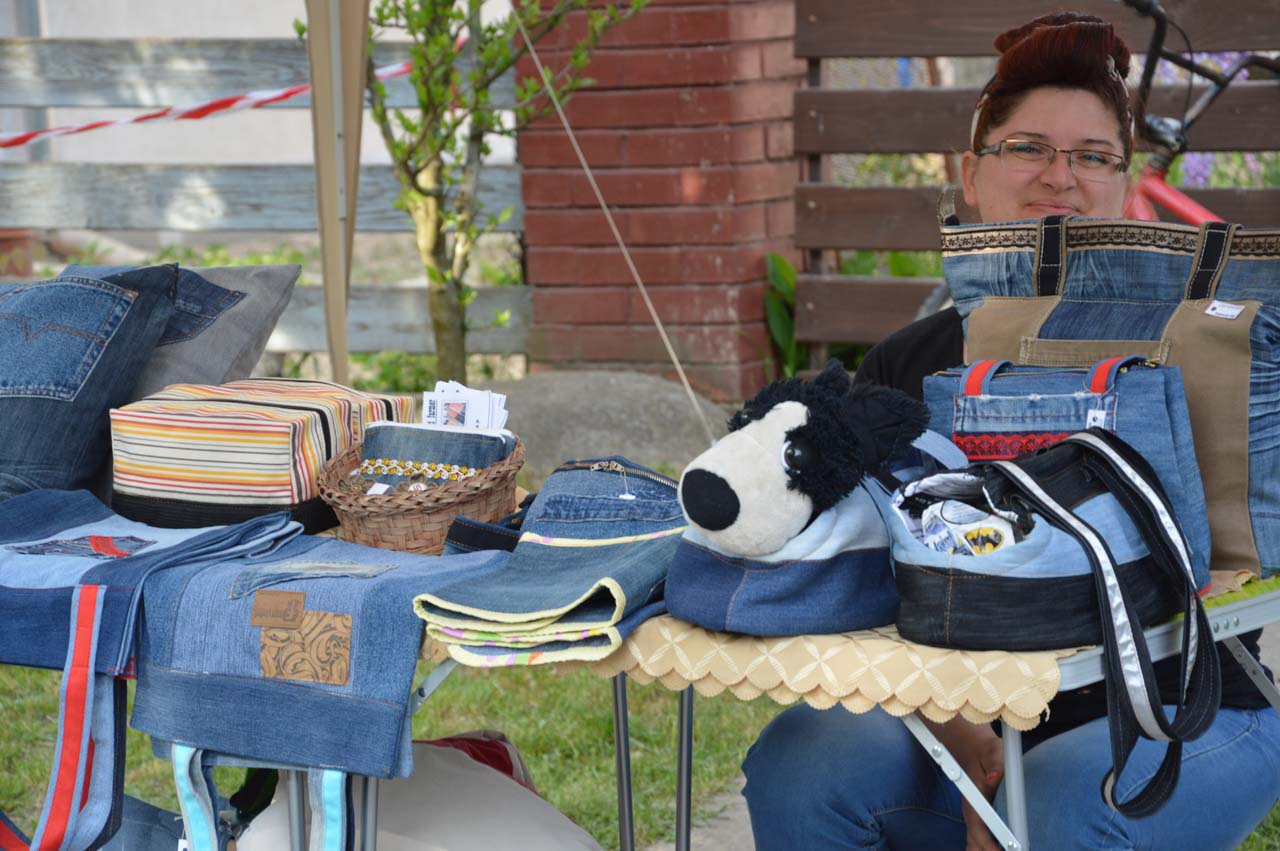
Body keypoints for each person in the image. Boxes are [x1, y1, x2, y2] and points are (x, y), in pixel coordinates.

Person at [741, 13, 1280, 851]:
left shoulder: (1203, 351)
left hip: (1189, 702)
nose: (1060, 177)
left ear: (1125, 185)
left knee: (1058, 808)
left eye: (1093, 156)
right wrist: (968, 746)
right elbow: (861, 581)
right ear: (970, 174)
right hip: (958, 711)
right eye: (1028, 148)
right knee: (801, 765)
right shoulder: (906, 365)